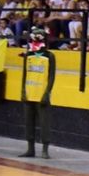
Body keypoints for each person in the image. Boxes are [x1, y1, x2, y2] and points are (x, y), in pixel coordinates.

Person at [19, 27, 55, 159]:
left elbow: (52, 76)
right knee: (28, 122)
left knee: (44, 123)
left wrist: (47, 92)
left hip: (42, 94)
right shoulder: (28, 55)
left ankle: (45, 150)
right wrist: (23, 91)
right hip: (29, 93)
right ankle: (30, 149)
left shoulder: (49, 56)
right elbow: (24, 74)